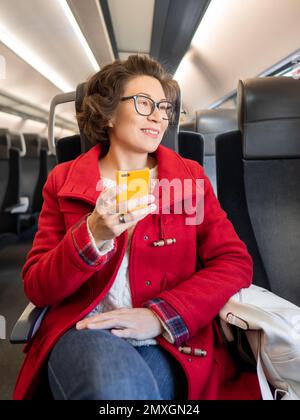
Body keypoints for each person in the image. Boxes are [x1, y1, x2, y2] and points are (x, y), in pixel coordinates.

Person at [13, 55, 260, 400]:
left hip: (168, 340)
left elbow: (233, 261)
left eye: (163, 106)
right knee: (117, 388)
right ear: (109, 113)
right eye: (144, 104)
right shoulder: (64, 181)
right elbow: (38, 287)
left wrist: (160, 316)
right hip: (88, 330)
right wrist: (92, 236)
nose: (159, 116)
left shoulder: (188, 180)